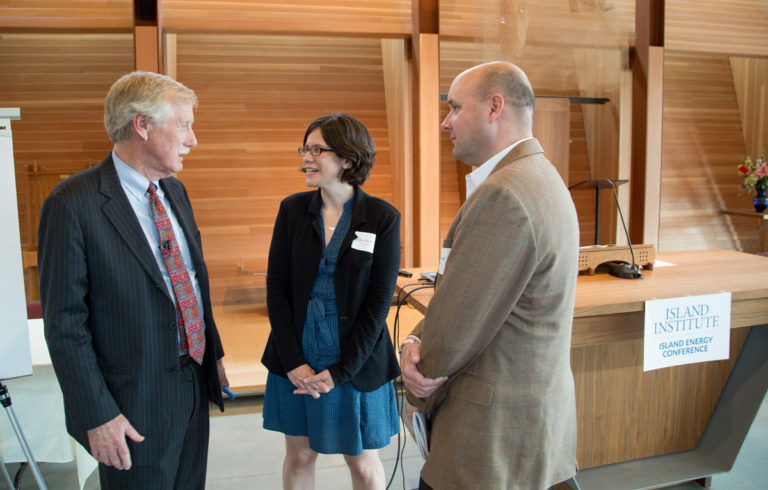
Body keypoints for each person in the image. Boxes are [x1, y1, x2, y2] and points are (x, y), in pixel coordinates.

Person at [38, 71, 229, 490]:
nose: (192, 138)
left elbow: (191, 284)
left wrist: (211, 353)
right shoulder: (72, 204)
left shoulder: (174, 192)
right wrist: (97, 415)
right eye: (183, 124)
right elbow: (65, 326)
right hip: (130, 400)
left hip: (192, 382)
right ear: (142, 125)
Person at [400, 62, 580, 490]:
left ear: (494, 107)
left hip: (489, 435)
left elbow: (456, 327)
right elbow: (473, 299)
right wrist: (414, 338)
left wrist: (414, 383)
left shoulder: (505, 193)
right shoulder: (541, 176)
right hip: (529, 424)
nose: (446, 122)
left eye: (454, 108)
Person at [261, 113, 401, 490]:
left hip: (355, 357)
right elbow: (276, 288)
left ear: (348, 160)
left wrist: (341, 371)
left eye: (316, 149)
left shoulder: (382, 218)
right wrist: (294, 363)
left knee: (362, 463)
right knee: (301, 456)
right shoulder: (292, 210)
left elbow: (378, 304)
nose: (306, 157)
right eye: (305, 148)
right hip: (297, 353)